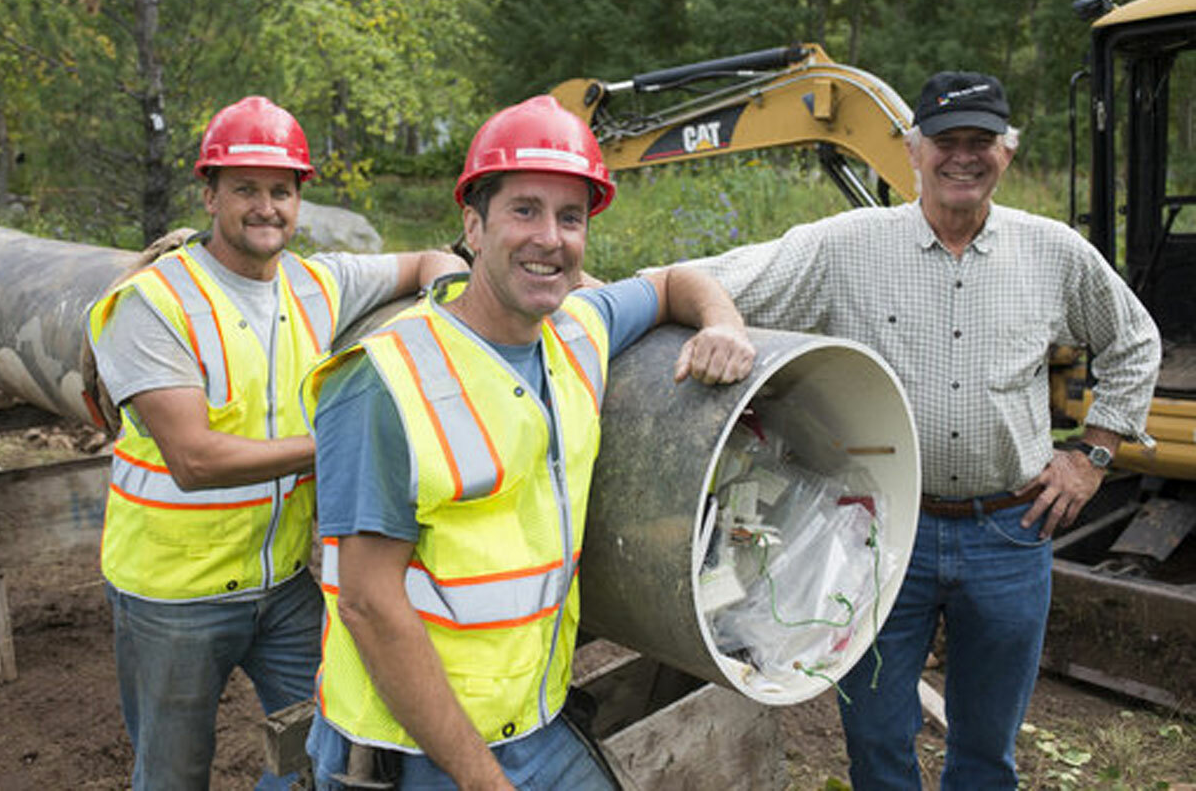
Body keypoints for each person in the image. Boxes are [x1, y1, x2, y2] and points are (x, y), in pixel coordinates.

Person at [679, 72, 1160, 789]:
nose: (962, 156)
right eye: (945, 141)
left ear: (1008, 152)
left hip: (1010, 529)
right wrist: (663, 311)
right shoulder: (846, 248)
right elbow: (708, 277)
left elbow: (1134, 342)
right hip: (879, 535)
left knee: (987, 747)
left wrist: (1092, 456)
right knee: (873, 737)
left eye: (981, 141)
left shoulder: (1051, 252)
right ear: (911, 150)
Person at [301, 94, 757, 790]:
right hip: (414, 750)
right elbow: (368, 602)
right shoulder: (384, 382)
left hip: (534, 721)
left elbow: (671, 282)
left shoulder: (578, 330)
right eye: (525, 210)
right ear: (473, 227)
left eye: (570, 217)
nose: (551, 238)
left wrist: (723, 323)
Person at [86, 95, 466, 791]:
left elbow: (426, 262)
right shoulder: (154, 302)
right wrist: (337, 446)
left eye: (281, 191)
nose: (267, 207)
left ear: (299, 199)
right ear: (209, 196)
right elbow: (194, 460)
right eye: (246, 190)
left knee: (328, 742)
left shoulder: (318, 283)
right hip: (174, 595)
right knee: (172, 775)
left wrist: (451, 294)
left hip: (285, 584)